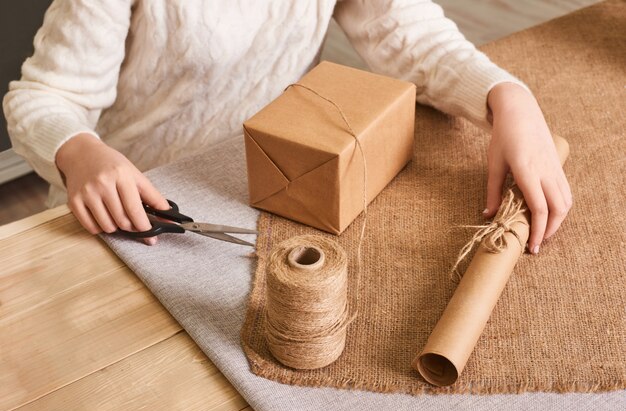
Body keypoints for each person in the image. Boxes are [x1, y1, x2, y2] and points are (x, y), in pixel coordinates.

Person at [3, 0, 571, 251]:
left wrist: (507, 97)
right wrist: (77, 152)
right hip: (123, 207)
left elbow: (410, 34)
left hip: (262, 189)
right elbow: (44, 97)